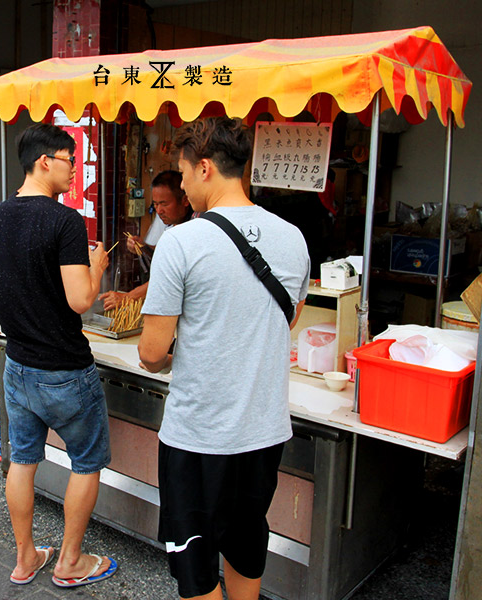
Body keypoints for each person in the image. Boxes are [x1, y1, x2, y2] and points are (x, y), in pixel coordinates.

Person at [138, 117, 310, 600]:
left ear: (206, 168)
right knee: (245, 541)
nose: (184, 185)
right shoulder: (293, 238)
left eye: (184, 174)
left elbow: (152, 353)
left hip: (198, 437)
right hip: (264, 433)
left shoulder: (182, 241)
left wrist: (174, 352)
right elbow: (288, 319)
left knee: (195, 568)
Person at [0, 123, 118, 589]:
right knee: (86, 461)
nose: (74, 168)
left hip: (16, 364)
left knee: (23, 460)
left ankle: (24, 558)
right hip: (66, 370)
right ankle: (70, 561)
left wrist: (25, 302)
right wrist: (96, 269)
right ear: (44, 162)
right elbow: (80, 301)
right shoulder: (65, 222)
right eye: (68, 160)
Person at [99, 170, 192, 310]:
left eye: (164, 204)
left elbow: (166, 278)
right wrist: (144, 247)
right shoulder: (171, 223)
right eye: (155, 204)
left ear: (185, 200)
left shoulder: (193, 229)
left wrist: (128, 297)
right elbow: (165, 256)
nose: (159, 211)